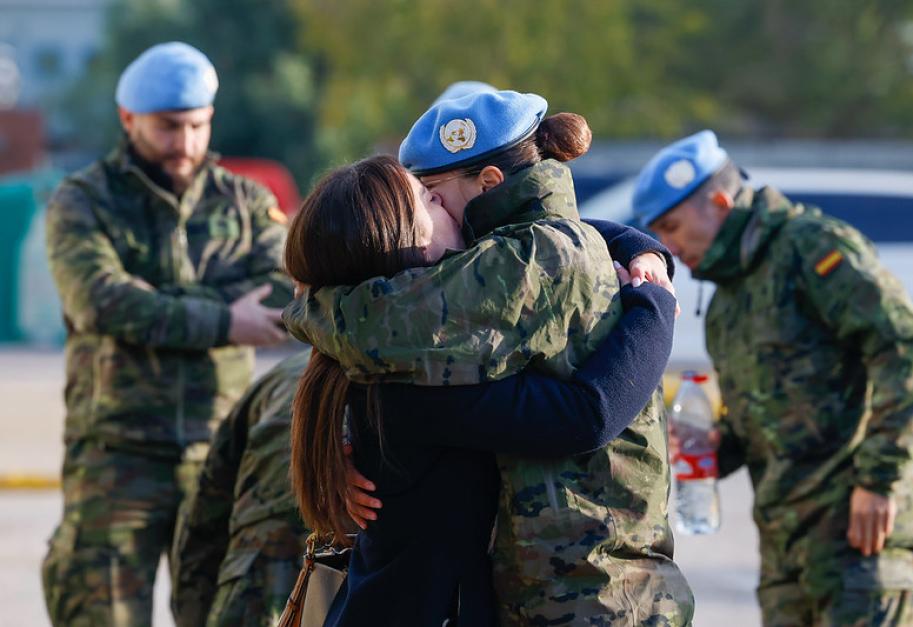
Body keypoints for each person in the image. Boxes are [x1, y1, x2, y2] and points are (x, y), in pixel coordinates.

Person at [283, 91, 693, 624]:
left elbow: (554, 250)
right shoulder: (420, 367)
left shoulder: (518, 270)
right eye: (424, 200)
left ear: (490, 187)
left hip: (594, 596)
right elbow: (583, 414)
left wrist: (644, 260)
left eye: (432, 193)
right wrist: (653, 305)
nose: (433, 206)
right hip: (587, 592)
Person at [631, 130, 913, 626]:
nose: (667, 246)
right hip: (788, 547)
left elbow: (908, 346)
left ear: (720, 202)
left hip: (861, 538)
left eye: (672, 226)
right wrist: (713, 446)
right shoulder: (728, 299)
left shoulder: (809, 248)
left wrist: (879, 481)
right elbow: (769, 415)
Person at [41, 41, 293, 626]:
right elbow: (101, 301)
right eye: (167, 128)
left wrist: (157, 303)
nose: (184, 144)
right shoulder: (84, 202)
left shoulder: (247, 201)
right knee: (98, 614)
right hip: (116, 451)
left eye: (197, 126)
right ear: (128, 119)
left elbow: (284, 290)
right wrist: (225, 318)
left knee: (227, 613)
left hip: (220, 448)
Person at [170, 352, 309, 627]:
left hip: (258, 570)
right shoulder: (411, 369)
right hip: (292, 559)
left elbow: (205, 514)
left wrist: (194, 616)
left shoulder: (286, 371)